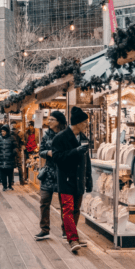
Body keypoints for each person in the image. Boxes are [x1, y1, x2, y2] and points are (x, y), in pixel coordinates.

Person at [51, 107, 93, 252]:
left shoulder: (83, 138)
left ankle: (72, 234)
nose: (87, 124)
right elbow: (56, 158)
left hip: (79, 179)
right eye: (85, 122)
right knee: (67, 210)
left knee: (76, 210)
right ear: (78, 123)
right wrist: (75, 152)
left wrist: (88, 178)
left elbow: (86, 159)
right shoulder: (60, 138)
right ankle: (72, 238)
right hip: (66, 179)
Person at [33, 111, 66, 241]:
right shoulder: (46, 135)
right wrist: (48, 153)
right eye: (49, 119)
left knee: (64, 203)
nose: (49, 121)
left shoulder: (66, 135)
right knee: (44, 202)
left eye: (52, 119)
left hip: (63, 173)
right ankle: (44, 229)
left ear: (59, 121)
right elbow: (41, 151)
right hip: (48, 173)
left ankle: (65, 230)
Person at [0, 125, 19, 191]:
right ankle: (4, 186)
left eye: (4, 131)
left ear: (7, 131)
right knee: (3, 173)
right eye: (2, 131)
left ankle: (10, 185)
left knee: (10, 173)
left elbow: (15, 146)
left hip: (10, 158)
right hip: (2, 158)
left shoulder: (12, 138)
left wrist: (14, 152)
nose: (3, 132)